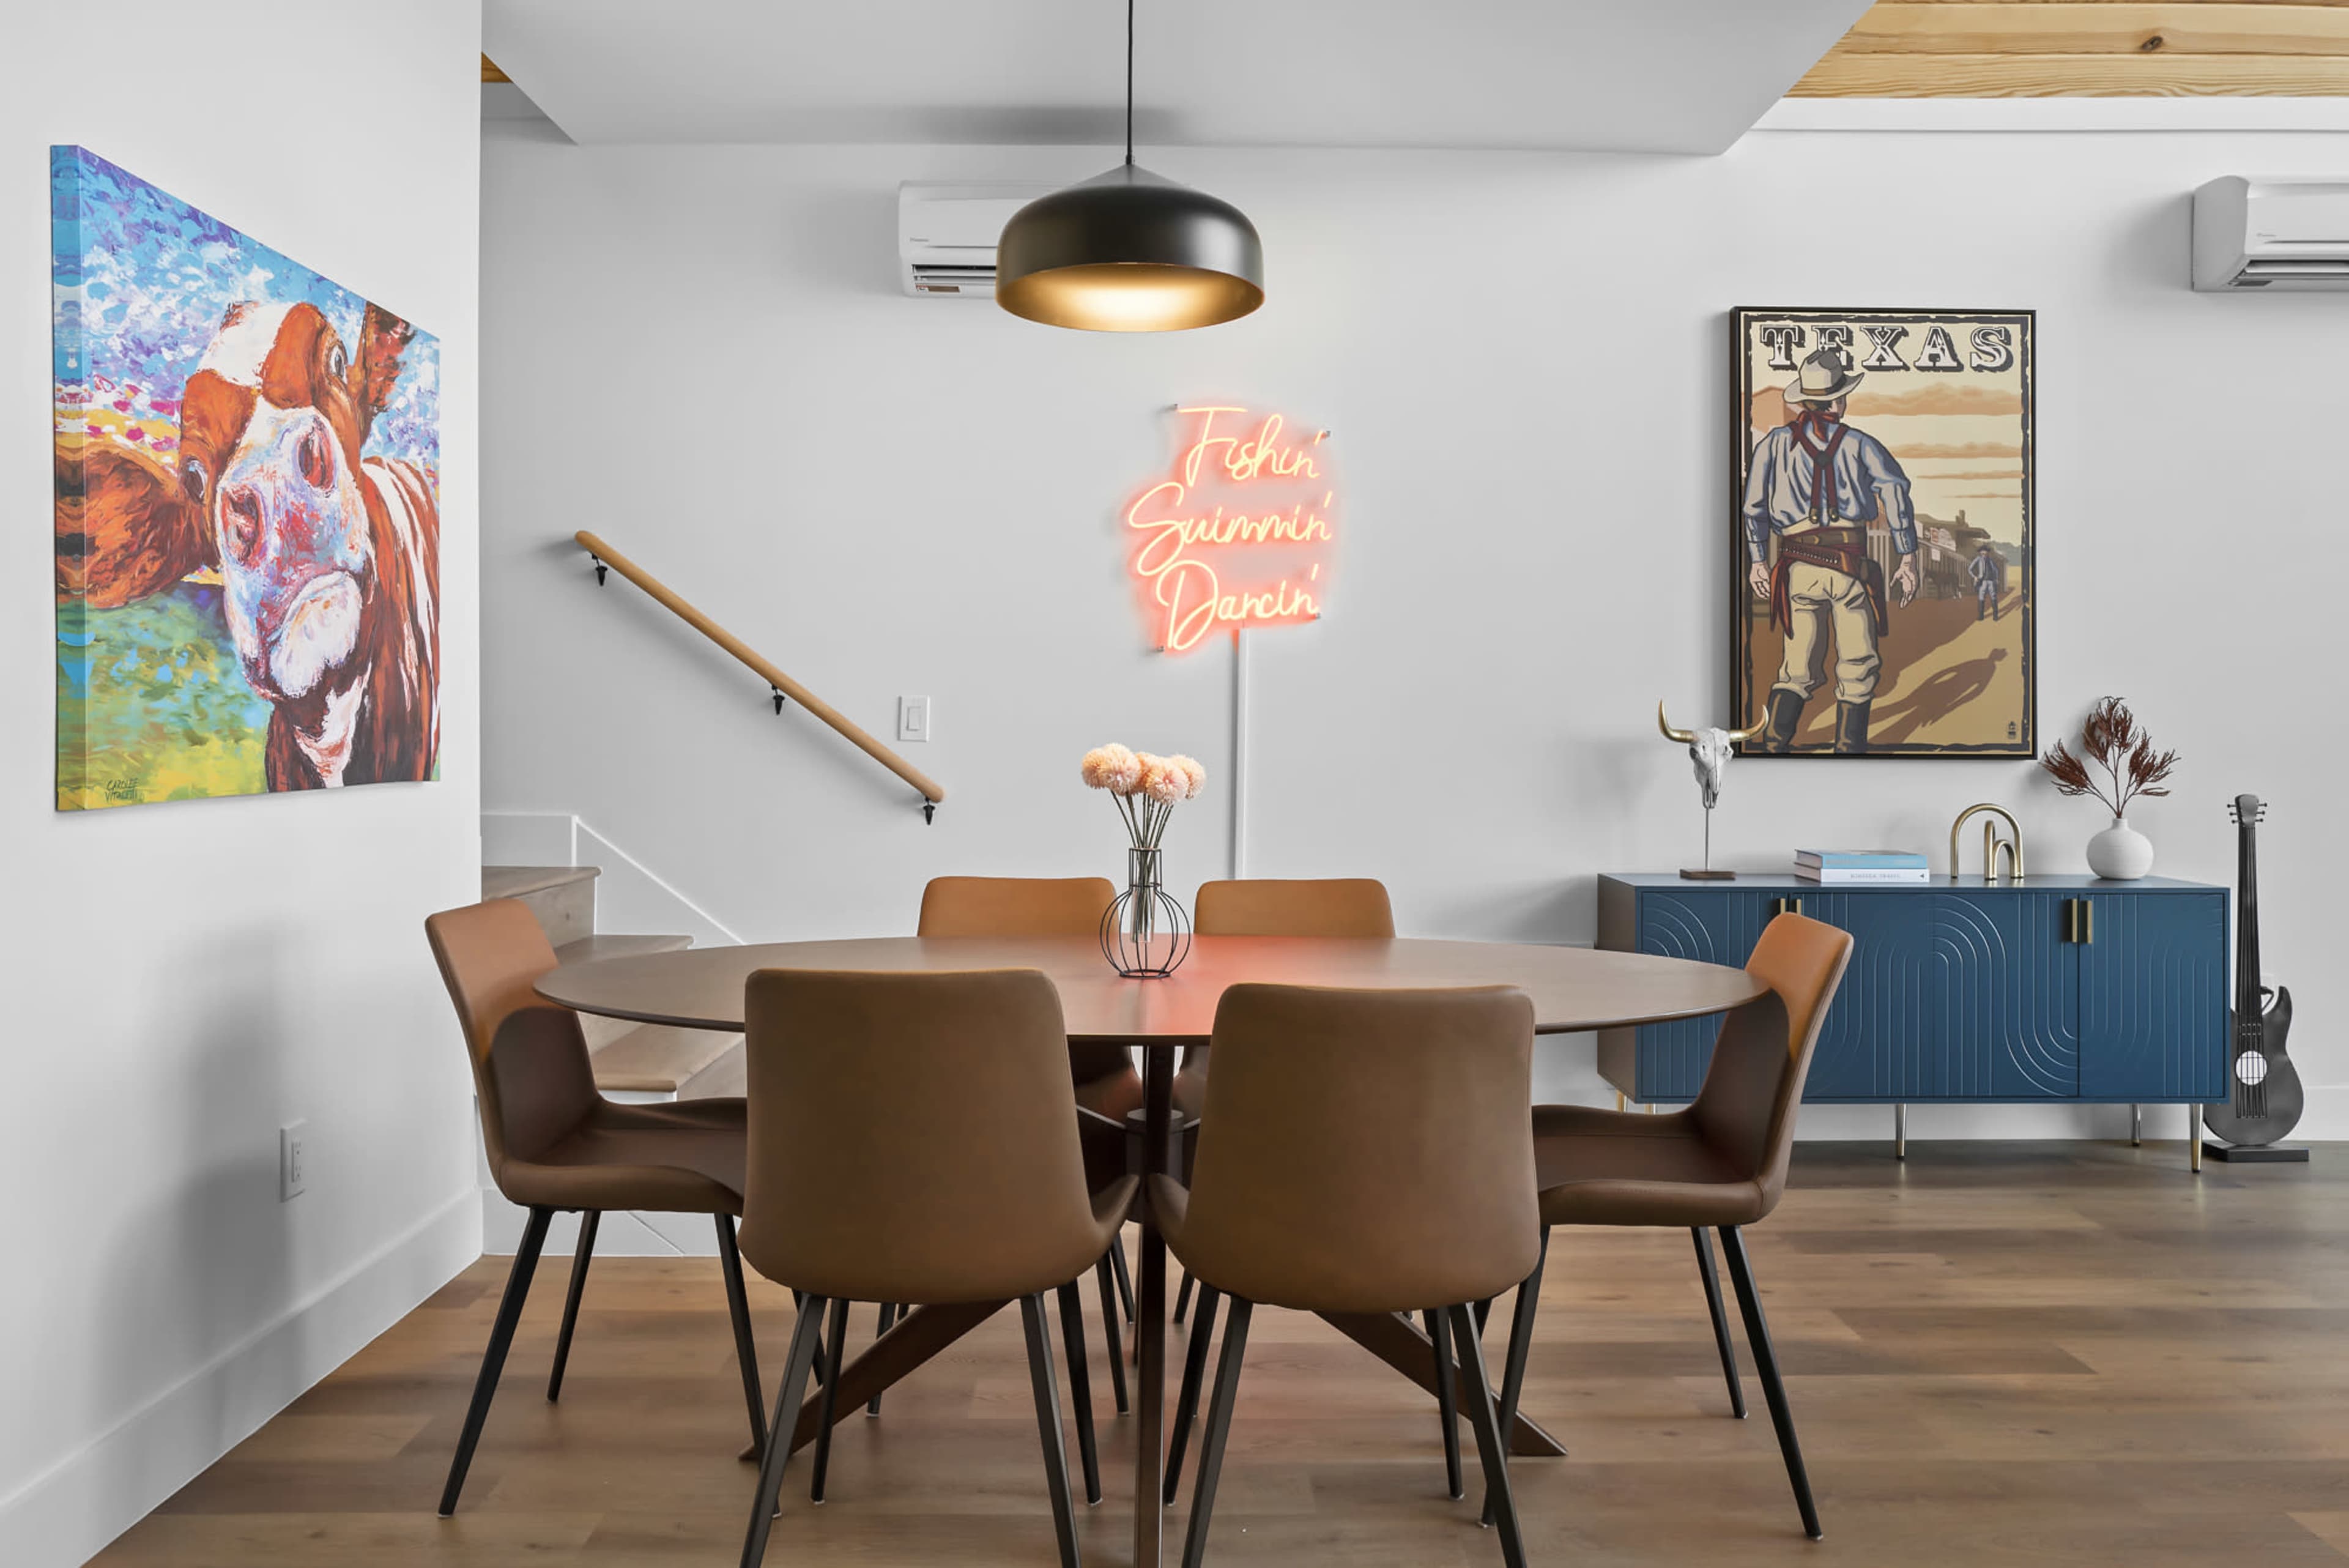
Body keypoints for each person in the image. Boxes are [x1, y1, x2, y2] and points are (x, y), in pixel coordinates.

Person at [1741, 350, 1920, 754]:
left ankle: (1773, 747)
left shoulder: (1773, 445)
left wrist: (1757, 560)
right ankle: (1848, 750)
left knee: (1797, 669)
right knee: (1858, 665)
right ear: (1837, 401)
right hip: (1848, 569)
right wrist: (1907, 556)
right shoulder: (1860, 444)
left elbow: (1753, 507)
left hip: (1797, 570)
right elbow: (1895, 491)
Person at [1969, 542, 2005, 622]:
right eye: (1982, 551)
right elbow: (1970, 569)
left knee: (1994, 597)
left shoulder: (1991, 560)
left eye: (1985, 551)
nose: (1984, 553)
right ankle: (1981, 616)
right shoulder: (1978, 559)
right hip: (1983, 581)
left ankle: (1996, 616)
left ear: (1988, 552)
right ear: (1980, 552)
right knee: (1981, 598)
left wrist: (1996, 578)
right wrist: (1974, 577)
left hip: (1991, 581)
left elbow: (1996, 570)